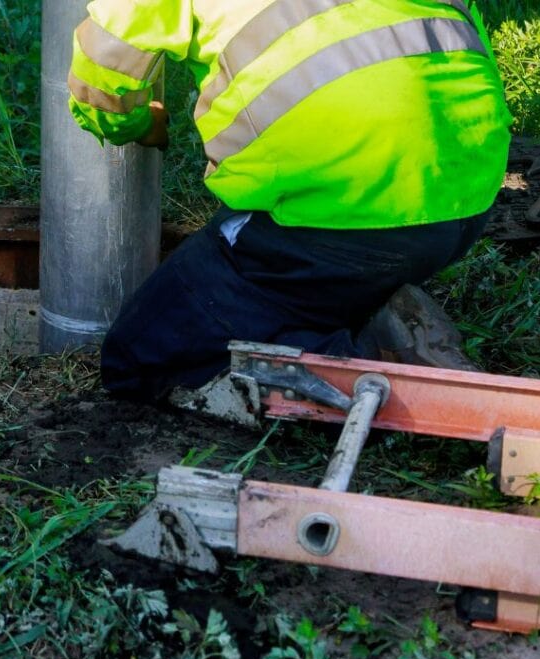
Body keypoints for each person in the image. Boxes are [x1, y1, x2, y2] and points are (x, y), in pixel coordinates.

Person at [67, 0, 511, 402]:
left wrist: (135, 125)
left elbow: (101, 68)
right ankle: (365, 305)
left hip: (341, 216)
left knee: (139, 357)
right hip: (466, 195)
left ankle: (365, 360)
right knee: (318, 278)